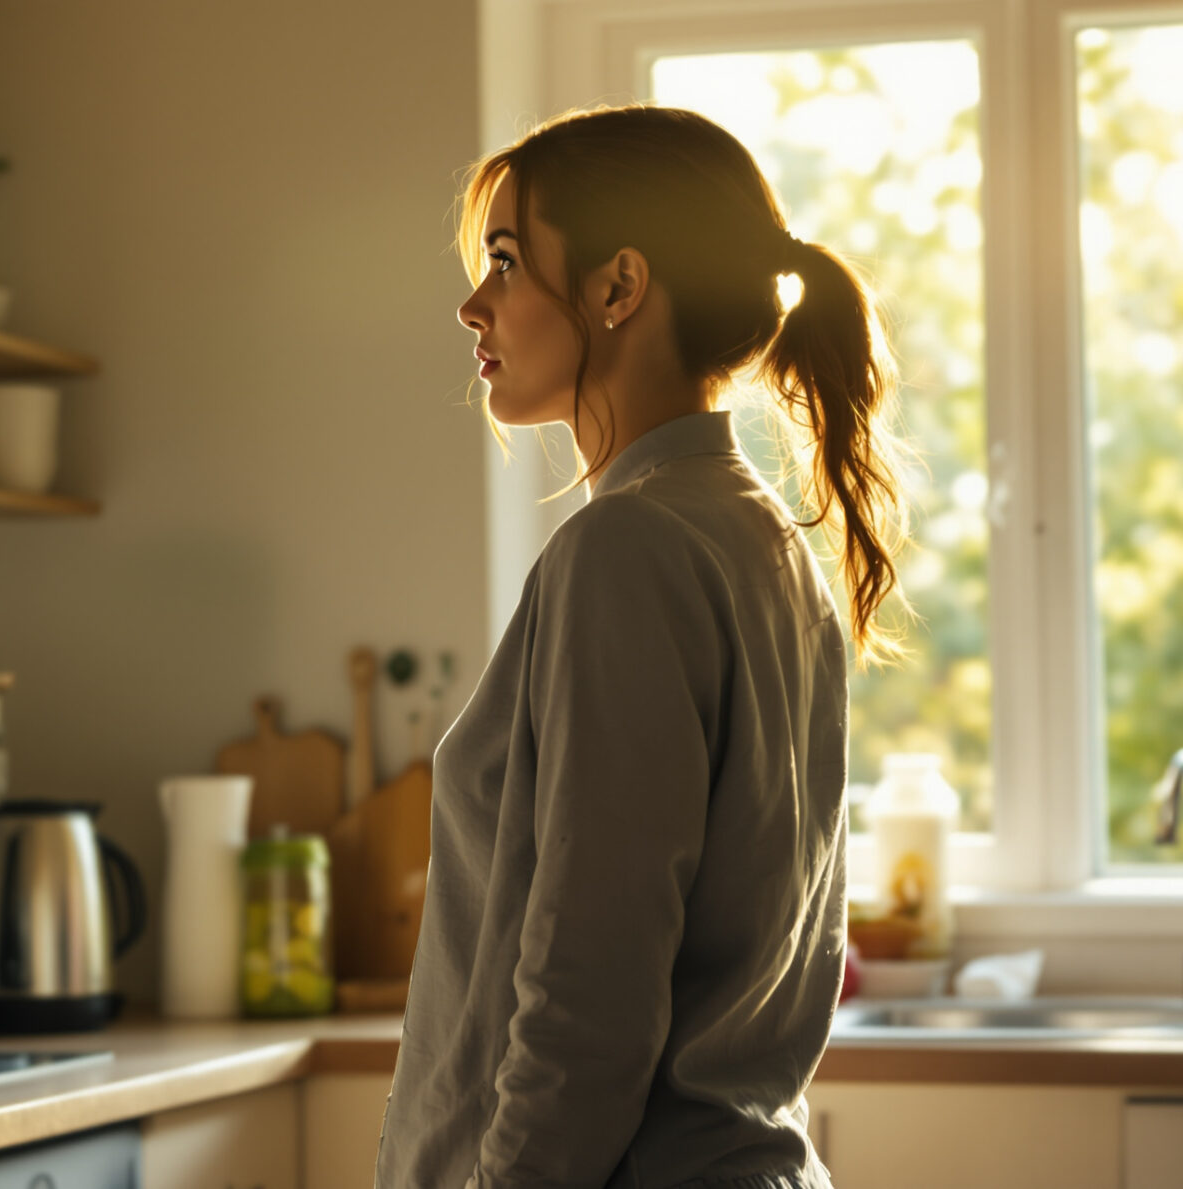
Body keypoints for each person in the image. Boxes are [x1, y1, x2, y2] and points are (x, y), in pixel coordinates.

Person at [375, 105, 907, 1189]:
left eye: (509, 262)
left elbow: (589, 993)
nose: (474, 303)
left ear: (619, 288)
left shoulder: (626, 547)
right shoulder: (754, 533)